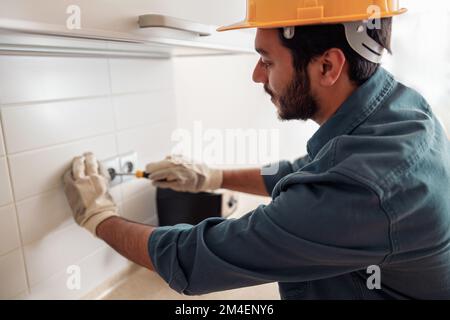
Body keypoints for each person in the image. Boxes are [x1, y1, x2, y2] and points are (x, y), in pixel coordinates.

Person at [63, 0, 450, 299]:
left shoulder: (365, 192)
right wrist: (212, 177)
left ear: (328, 66)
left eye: (266, 60)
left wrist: (99, 217)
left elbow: (193, 259)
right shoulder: (398, 107)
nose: (256, 75)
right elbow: (309, 170)